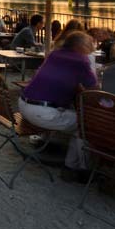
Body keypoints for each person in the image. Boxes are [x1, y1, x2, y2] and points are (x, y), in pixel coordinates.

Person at [18, 32, 98, 173]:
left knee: (71, 114)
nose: (92, 46)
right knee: (85, 125)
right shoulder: (81, 61)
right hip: (42, 113)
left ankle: (57, 149)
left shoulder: (54, 54)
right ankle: (77, 168)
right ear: (80, 46)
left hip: (24, 105)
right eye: (89, 43)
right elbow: (95, 90)